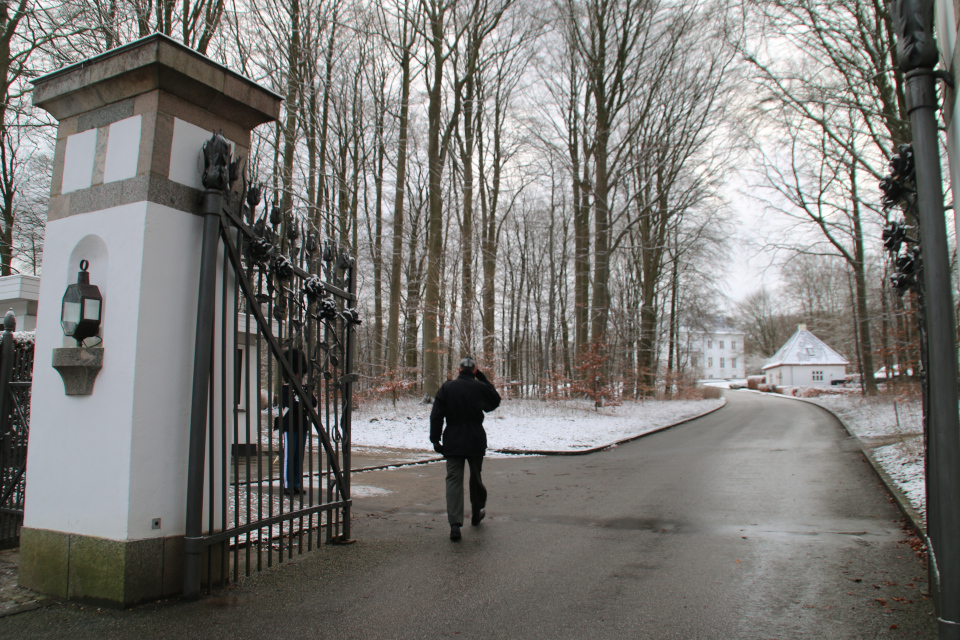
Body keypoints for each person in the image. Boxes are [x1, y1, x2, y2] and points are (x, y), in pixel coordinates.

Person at [430, 356, 501, 541]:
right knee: (476, 477)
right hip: (475, 438)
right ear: (474, 371)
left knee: (453, 480)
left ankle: (455, 524)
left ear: (459, 370)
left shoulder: (447, 387)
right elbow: (495, 402)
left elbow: (437, 415)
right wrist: (483, 378)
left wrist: (435, 439)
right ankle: (477, 511)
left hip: (453, 439)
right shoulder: (480, 388)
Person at [278, 349, 316, 495]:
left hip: (302, 426)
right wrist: (302, 403)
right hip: (290, 425)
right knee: (289, 456)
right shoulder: (285, 389)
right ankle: (287, 484)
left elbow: (313, 402)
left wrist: (306, 397)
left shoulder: (303, 388)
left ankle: (296, 483)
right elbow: (291, 405)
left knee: (298, 457)